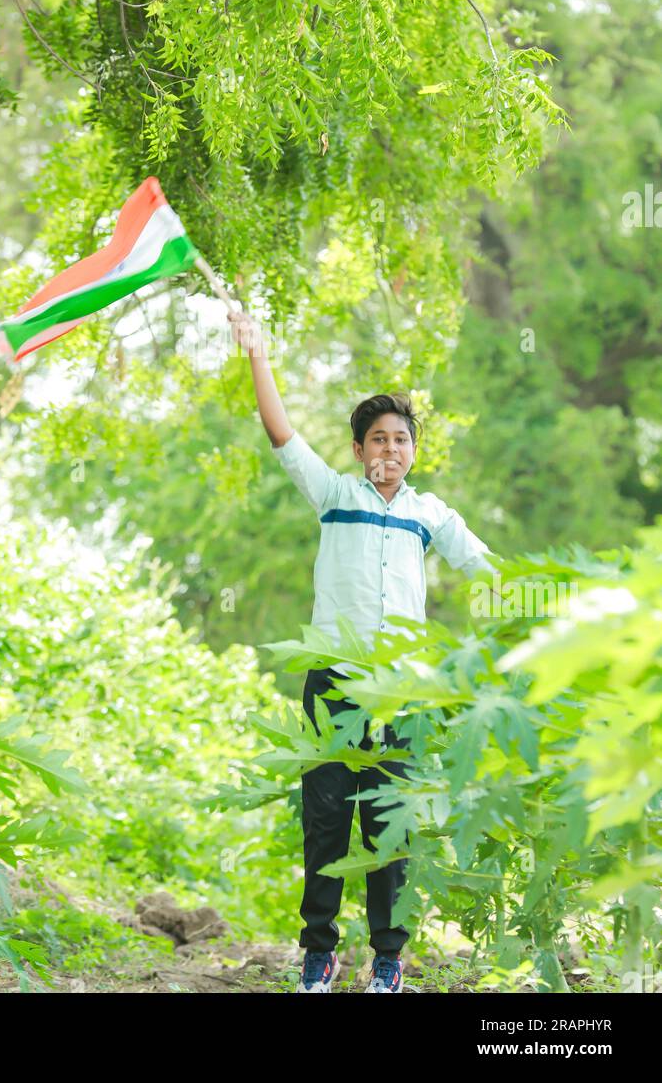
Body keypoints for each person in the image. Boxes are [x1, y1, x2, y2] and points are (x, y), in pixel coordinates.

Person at [228, 308, 495, 995]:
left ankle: (387, 959)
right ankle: (318, 951)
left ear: (413, 451)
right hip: (334, 688)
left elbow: (485, 567)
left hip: (400, 694)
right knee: (326, 823)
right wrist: (257, 351)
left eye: (401, 439)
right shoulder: (334, 495)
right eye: (377, 438)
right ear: (357, 449)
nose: (390, 449)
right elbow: (281, 433)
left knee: (388, 829)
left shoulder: (428, 514)